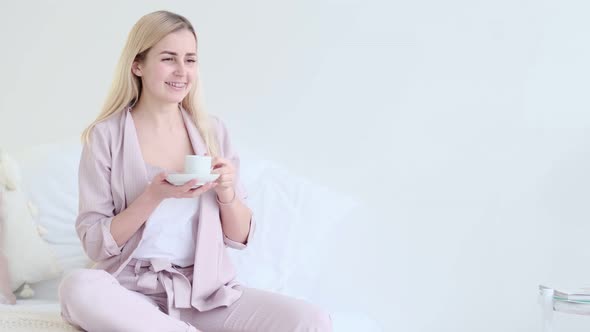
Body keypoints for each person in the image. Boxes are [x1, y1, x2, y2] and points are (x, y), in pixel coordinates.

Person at [58, 10, 332, 332]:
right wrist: (152, 196)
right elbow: (94, 243)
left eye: (190, 60)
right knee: (78, 288)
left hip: (204, 294)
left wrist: (227, 193)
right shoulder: (105, 137)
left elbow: (240, 238)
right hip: (130, 293)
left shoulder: (211, 132)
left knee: (311, 320)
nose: (181, 71)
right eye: (168, 58)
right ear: (138, 65)